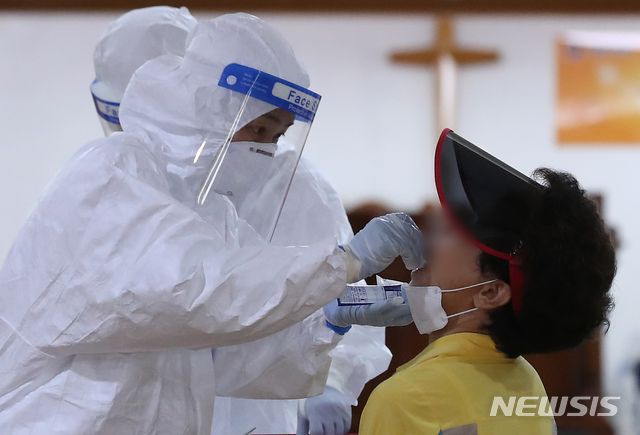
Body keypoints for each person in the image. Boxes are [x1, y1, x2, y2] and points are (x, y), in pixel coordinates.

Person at [0, 13, 426, 435]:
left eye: (276, 137)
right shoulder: (114, 171)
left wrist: (326, 322)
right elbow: (194, 290)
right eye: (257, 128)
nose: (264, 151)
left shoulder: (210, 211)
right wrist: (343, 264)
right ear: (204, 108)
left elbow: (228, 353)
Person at [360, 129, 616, 435]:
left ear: (492, 293)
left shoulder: (406, 399)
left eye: (450, 234)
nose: (428, 241)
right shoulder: (528, 383)